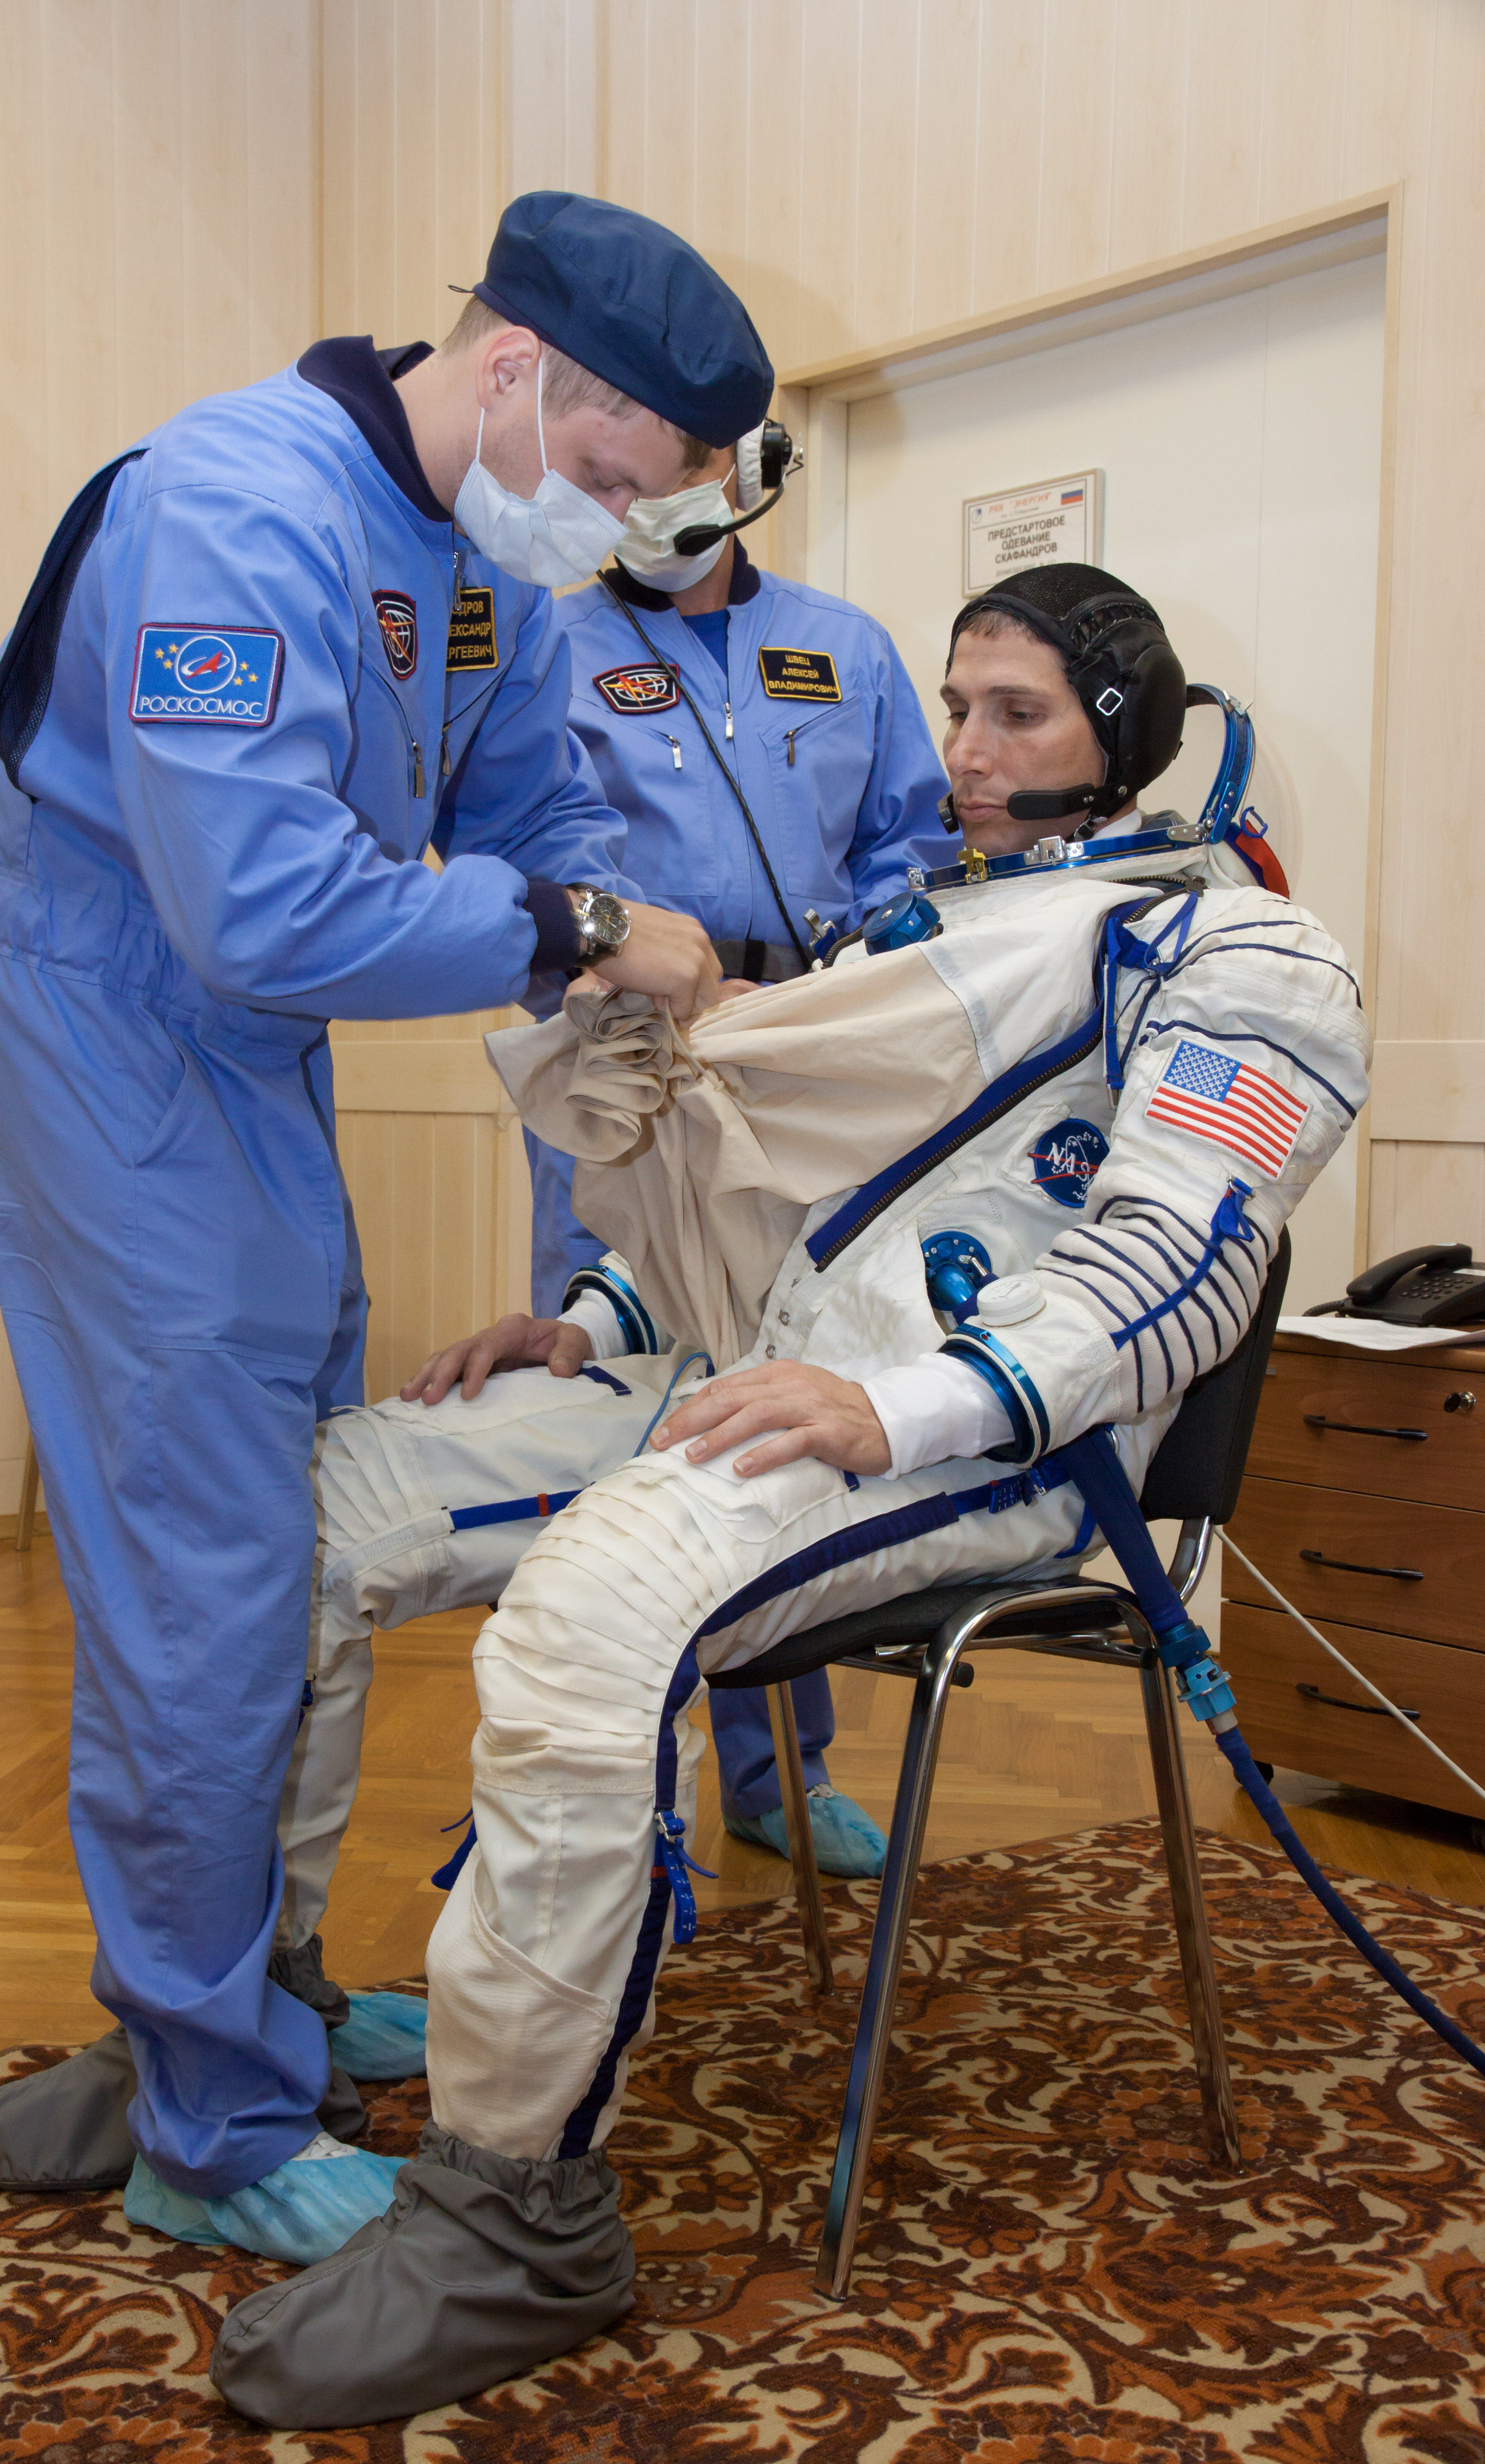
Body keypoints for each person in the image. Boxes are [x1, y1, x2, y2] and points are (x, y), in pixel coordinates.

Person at [205, 562, 1371, 2427]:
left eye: (1017, 715)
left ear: (1126, 737)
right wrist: (593, 1327)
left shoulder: (1236, 954)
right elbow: (771, 1209)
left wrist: (904, 1405)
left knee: (596, 1615)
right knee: (312, 1511)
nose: (967, 750)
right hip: (782, 1384)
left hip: (998, 1448)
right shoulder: (913, 937)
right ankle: (251, 2015)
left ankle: (514, 2214)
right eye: (959, 707)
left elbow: (1183, 1263)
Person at [0, 191, 771, 2259]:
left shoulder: (485, 554)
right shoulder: (234, 512)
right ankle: (210, 2126)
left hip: (257, 1065)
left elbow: (537, 815)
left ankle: (269, 2001)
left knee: (300, 1527)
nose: (612, 530)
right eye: (607, 479)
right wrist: (580, 933)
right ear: (513, 369)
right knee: (206, 1590)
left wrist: (606, 922)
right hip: (124, 1041)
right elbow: (259, 905)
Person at [527, 444, 961, 1878]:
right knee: (621, 1387)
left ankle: (781, 1769)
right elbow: (532, 853)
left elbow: (912, 845)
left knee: (780, 1394)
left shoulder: (843, 648)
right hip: (633, 1056)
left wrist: (857, 987)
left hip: (809, 1058)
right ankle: (609, 1773)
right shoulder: (547, 642)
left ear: (747, 468)